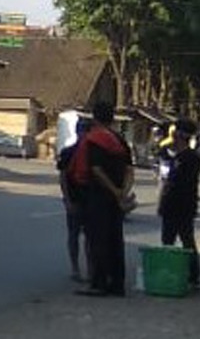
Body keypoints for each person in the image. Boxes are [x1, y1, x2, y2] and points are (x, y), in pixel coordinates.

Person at [70, 100, 134, 297]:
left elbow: (96, 170)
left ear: (95, 117)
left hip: (97, 196)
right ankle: (117, 283)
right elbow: (130, 170)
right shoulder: (120, 140)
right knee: (115, 239)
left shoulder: (93, 140)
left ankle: (99, 283)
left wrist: (114, 191)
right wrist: (123, 192)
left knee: (97, 240)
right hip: (115, 199)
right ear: (112, 118)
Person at [158, 118, 200, 290]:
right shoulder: (177, 157)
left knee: (186, 241)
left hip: (182, 205)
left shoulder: (189, 158)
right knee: (168, 240)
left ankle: (192, 276)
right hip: (173, 204)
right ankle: (168, 271)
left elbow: (176, 183)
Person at [56, 116, 92, 282]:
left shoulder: (92, 152)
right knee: (76, 235)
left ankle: (87, 269)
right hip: (77, 199)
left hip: (87, 200)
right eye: (82, 129)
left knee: (86, 237)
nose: (83, 133)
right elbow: (63, 178)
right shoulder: (69, 152)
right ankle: (76, 268)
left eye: (85, 129)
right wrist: (67, 199)